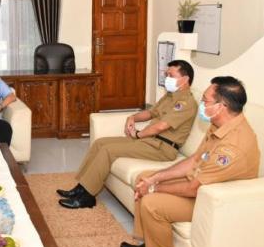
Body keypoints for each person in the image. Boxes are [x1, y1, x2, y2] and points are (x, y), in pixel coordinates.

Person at [122, 76, 260, 247]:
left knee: (152, 201)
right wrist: (155, 178)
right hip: (201, 184)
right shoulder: (219, 125)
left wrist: (153, 188)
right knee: (146, 176)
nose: (202, 105)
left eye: (205, 101)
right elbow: (195, 160)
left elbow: (193, 189)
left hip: (215, 201)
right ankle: (150, 245)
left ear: (221, 106)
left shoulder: (233, 146)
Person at [57, 60, 198, 209]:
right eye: (166, 74)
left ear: (185, 79)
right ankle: (81, 187)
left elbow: (161, 127)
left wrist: (138, 134)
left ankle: (87, 197)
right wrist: (132, 118)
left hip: (163, 148)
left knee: (108, 151)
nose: (167, 78)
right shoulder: (170, 96)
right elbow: (151, 113)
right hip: (150, 141)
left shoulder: (186, 103)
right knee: (100, 143)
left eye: (171, 75)